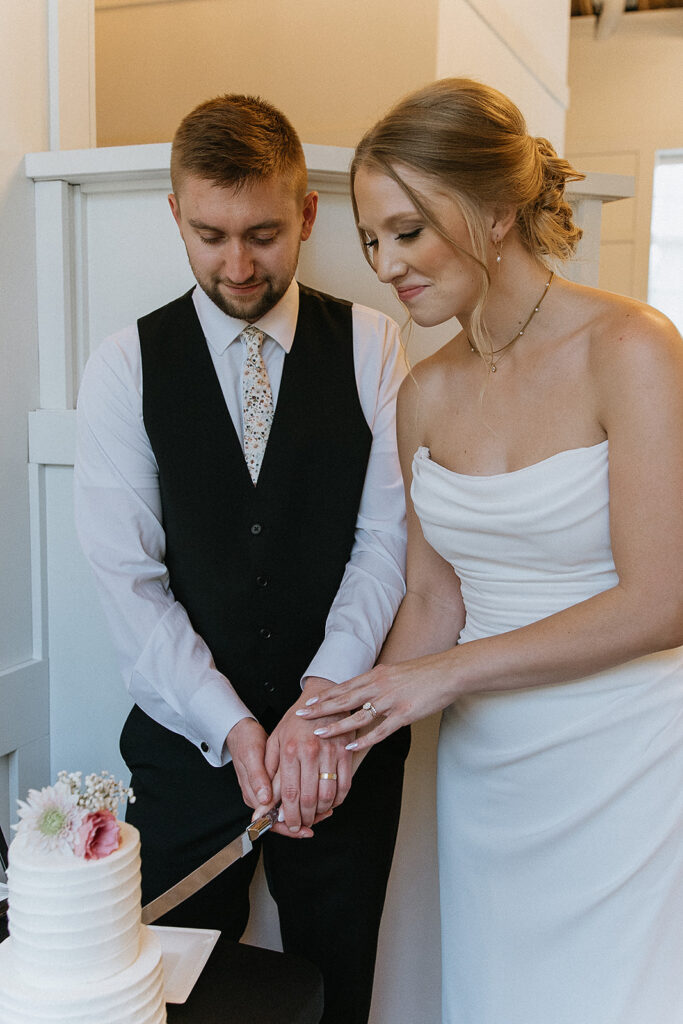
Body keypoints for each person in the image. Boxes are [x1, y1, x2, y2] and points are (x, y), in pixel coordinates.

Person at [298, 78, 683, 1023]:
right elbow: (432, 599)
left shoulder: (629, 348)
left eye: (408, 231)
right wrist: (347, 728)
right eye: (370, 239)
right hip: (486, 773)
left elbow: (664, 596)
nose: (386, 263)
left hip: (629, 761)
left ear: (496, 209)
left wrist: (442, 679)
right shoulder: (424, 391)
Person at [74, 93, 410, 1024]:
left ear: (306, 213)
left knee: (336, 983)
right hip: (186, 750)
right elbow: (129, 583)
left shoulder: (374, 347)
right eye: (209, 234)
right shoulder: (123, 365)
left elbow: (386, 543)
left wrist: (320, 708)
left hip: (346, 745)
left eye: (263, 233)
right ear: (175, 216)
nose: (237, 264)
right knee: (175, 994)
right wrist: (232, 728)